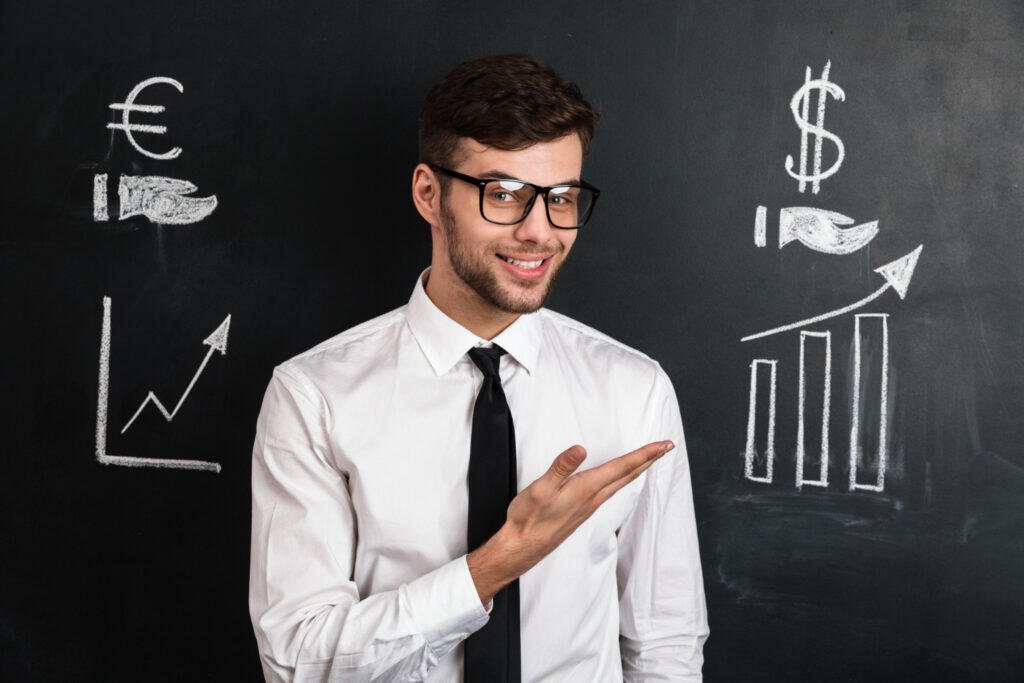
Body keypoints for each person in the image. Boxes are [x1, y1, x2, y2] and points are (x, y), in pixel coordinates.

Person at [249, 53, 709, 682]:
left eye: (563, 198)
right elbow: (298, 659)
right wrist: (494, 565)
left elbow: (665, 644)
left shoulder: (634, 392)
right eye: (505, 195)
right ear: (429, 194)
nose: (540, 231)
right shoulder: (315, 395)